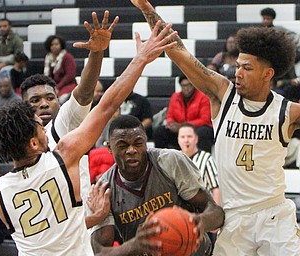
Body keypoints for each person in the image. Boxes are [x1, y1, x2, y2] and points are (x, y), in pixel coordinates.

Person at [0, 19, 178, 255]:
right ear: (33, 143)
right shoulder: (63, 157)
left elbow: (52, 233)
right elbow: (108, 104)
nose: (44, 127)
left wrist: (93, 219)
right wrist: (141, 59)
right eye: (38, 128)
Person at [131, 0, 300, 254]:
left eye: (247, 68)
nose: (237, 72)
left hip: (274, 216)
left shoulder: (288, 111)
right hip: (233, 216)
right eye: (237, 66)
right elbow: (180, 52)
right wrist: (146, 8)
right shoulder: (223, 94)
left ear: (268, 74)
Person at [21, 11, 119, 254]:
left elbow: (85, 92)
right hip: (38, 241)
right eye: (35, 100)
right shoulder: (17, 142)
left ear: (58, 101)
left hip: (77, 232)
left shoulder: (63, 124)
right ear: (24, 107)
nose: (43, 104)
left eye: (49, 98)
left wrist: (96, 52)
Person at [89, 115, 224, 256]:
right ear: (110, 148)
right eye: (122, 146)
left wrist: (199, 223)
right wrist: (136, 245)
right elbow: (100, 253)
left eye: (138, 143)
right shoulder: (103, 190)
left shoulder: (170, 161)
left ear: (146, 142)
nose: (131, 150)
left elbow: (217, 213)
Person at [178, 122, 220, 253]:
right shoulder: (175, 159)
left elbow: (216, 188)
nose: (186, 140)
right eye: (183, 137)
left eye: (189, 136)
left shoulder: (206, 159)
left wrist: (215, 218)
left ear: (196, 139)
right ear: (178, 139)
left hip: (203, 214)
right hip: (181, 216)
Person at [153, 74, 213, 152]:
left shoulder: (203, 97)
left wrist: (183, 126)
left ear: (194, 85)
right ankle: (162, 159)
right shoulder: (175, 96)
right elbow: (170, 115)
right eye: (183, 86)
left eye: (188, 85)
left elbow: (205, 120)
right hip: (179, 129)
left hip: (196, 129)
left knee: (204, 132)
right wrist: (171, 124)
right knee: (160, 131)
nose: (186, 88)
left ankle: (201, 159)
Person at [43, 35, 77, 104]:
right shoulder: (48, 58)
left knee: (61, 99)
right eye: (52, 45)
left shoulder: (67, 57)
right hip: (53, 87)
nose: (54, 46)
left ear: (61, 45)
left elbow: (70, 76)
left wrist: (57, 87)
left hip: (67, 86)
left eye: (56, 44)